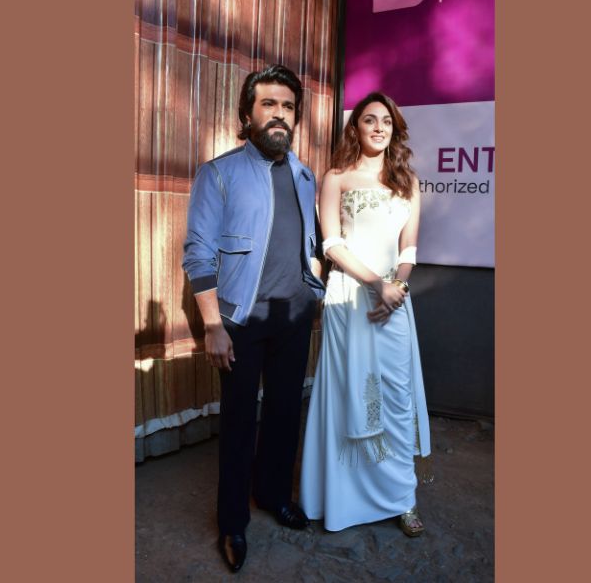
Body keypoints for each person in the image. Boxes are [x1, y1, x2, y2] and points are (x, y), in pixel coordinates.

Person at [182, 64, 325, 573]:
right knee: (240, 423)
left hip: (293, 316)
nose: (279, 114)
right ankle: (232, 523)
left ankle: (273, 495)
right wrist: (213, 325)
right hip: (240, 320)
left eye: (288, 106)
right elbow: (198, 254)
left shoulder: (305, 176)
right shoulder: (218, 173)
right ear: (247, 114)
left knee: (286, 414)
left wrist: (313, 289)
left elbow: (309, 243)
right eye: (269, 104)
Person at [299, 91, 431, 536]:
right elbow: (332, 244)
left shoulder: (408, 181)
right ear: (355, 127)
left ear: (395, 130)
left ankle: (402, 499)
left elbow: (409, 249)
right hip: (350, 298)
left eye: (387, 122)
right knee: (351, 395)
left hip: (395, 302)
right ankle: (346, 500)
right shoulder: (336, 177)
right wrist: (376, 285)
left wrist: (397, 288)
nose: (379, 127)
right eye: (370, 119)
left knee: (395, 396)